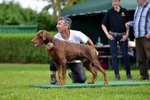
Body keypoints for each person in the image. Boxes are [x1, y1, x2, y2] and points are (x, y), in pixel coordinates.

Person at [50, 17, 94, 84]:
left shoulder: (77, 34)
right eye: (57, 24)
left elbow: (88, 41)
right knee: (53, 54)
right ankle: (53, 76)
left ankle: (72, 73)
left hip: (74, 60)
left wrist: (92, 51)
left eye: (59, 24)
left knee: (82, 80)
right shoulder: (55, 37)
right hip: (61, 60)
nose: (57, 26)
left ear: (66, 26)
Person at [101, 0, 132, 80]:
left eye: (116, 1)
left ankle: (128, 74)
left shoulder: (124, 11)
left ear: (119, 2)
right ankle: (116, 75)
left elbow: (128, 24)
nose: (114, 3)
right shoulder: (109, 12)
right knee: (114, 56)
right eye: (113, 1)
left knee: (125, 55)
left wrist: (127, 34)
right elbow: (103, 25)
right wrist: (107, 35)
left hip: (123, 36)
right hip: (112, 36)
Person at [126, 0, 150, 80]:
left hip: (147, 37)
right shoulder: (138, 8)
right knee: (141, 58)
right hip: (138, 37)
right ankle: (144, 76)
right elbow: (136, 22)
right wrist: (129, 23)